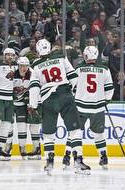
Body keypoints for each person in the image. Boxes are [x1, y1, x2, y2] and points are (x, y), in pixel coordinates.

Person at [29, 39, 91, 175]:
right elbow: (74, 77)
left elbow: (34, 87)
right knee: (75, 130)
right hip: (65, 95)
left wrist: (33, 105)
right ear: (50, 48)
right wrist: (73, 93)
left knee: (48, 134)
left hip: (47, 100)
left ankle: (49, 162)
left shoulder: (35, 66)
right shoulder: (61, 58)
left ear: (38, 51)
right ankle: (78, 161)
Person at [66, 46, 114, 170]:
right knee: (98, 134)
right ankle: (103, 157)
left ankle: (67, 156)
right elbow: (109, 89)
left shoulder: (79, 69)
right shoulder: (104, 69)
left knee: (74, 132)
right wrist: (105, 101)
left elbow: (71, 87)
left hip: (80, 107)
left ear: (86, 56)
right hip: (97, 108)